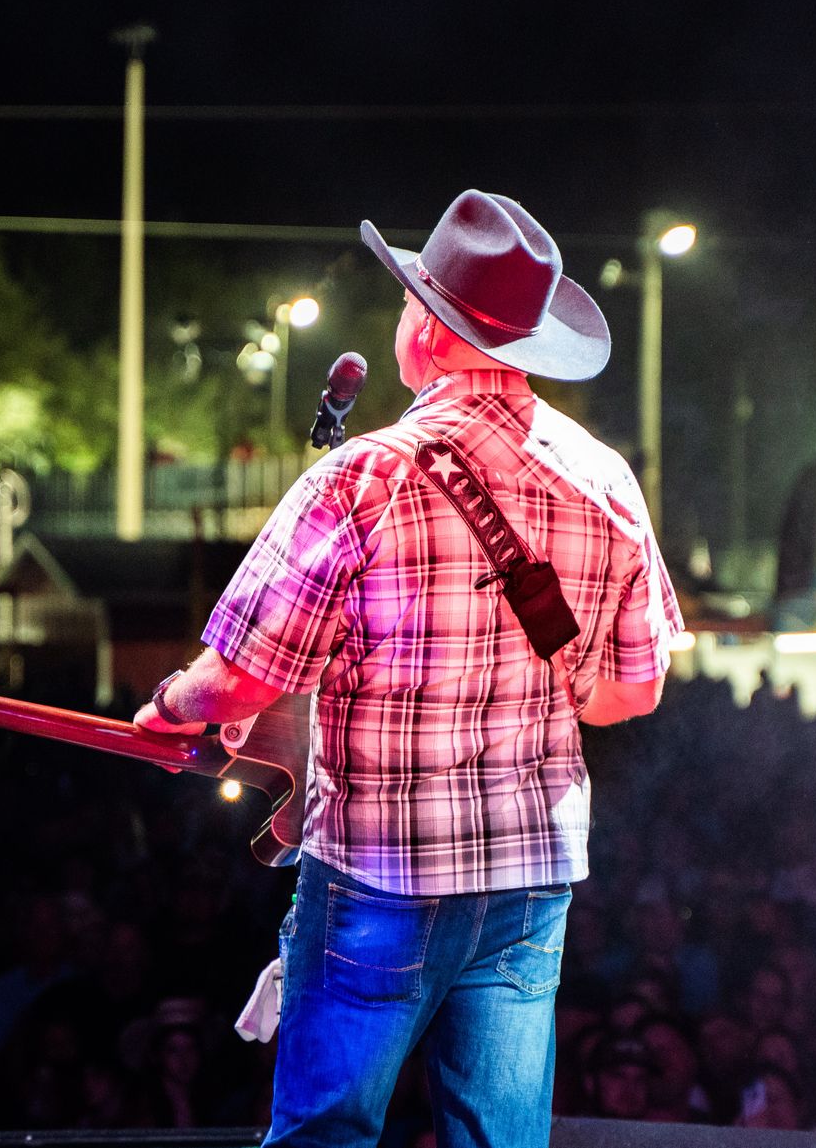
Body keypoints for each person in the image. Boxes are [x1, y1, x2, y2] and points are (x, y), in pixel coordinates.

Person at [133, 189, 682, 1148]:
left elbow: (236, 683)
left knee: (327, 1137)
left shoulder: (362, 477)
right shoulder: (605, 476)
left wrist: (171, 703)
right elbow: (631, 694)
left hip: (378, 877)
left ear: (428, 327)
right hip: (527, 879)